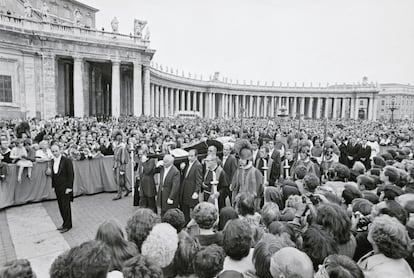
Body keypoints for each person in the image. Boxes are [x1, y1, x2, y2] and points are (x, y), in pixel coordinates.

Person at [231, 140, 264, 210]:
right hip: (239, 203)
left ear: (248, 160)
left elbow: (259, 191)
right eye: (240, 159)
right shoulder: (238, 171)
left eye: (242, 159)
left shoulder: (256, 172)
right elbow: (234, 188)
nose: (240, 161)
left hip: (251, 204)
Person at [51, 144, 74, 233]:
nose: (55, 153)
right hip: (57, 186)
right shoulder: (52, 161)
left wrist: (69, 187)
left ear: (60, 150)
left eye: (56, 151)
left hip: (65, 186)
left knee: (66, 206)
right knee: (60, 205)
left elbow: (71, 174)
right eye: (53, 151)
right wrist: (53, 185)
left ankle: (68, 225)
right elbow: (53, 174)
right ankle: (64, 223)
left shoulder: (66, 160)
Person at [180, 149, 203, 224]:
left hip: (191, 188)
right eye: (188, 156)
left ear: (196, 156)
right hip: (185, 188)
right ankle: (186, 221)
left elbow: (199, 179)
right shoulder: (187, 163)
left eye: (191, 156)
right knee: (184, 206)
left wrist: (196, 191)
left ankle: (197, 222)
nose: (189, 157)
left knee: (194, 207)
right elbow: (185, 175)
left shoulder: (198, 165)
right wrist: (182, 169)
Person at [112, 130, 131, 201]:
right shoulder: (117, 147)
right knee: (120, 179)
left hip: (120, 165)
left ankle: (119, 194)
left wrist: (122, 168)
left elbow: (124, 159)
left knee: (119, 179)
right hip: (116, 164)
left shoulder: (122, 147)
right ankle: (127, 189)